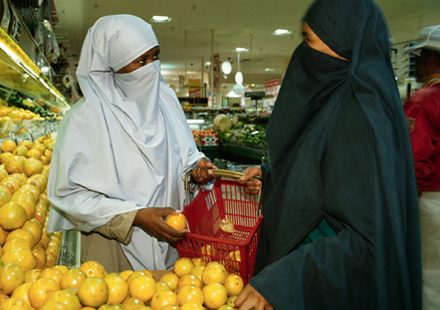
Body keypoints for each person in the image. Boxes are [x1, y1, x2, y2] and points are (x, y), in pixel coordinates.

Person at [236, 0, 421, 309]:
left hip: (328, 288)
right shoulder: (341, 98)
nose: (303, 52)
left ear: (341, 41)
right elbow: (325, 166)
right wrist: (271, 176)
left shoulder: (358, 114)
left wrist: (284, 281)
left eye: (309, 40)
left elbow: (366, 242)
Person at [47, 15, 218, 272]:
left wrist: (196, 169)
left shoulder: (167, 101)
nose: (152, 68)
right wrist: (135, 217)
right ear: (112, 65)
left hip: (175, 244)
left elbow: (184, 154)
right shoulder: (84, 120)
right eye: (141, 60)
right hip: (113, 252)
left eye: (155, 57)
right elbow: (68, 193)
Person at [404, 25, 440, 310]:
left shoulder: (424, 101)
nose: (415, 64)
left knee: (428, 277)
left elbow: (415, 162)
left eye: (419, 57)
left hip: (429, 203)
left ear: (432, 59)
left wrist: (403, 212)